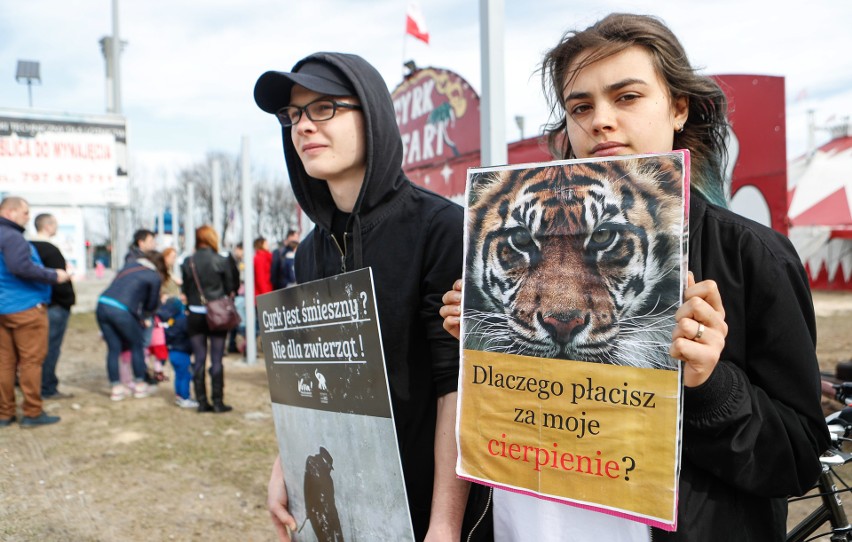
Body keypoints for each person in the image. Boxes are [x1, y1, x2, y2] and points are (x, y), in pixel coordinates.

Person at [438, 13, 829, 542]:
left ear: (678, 106)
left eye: (627, 97)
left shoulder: (752, 255)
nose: (600, 120)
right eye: (580, 106)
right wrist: (486, 340)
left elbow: (799, 458)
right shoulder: (505, 231)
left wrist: (711, 386)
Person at [254, 52, 474, 541]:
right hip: (343, 498)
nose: (303, 127)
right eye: (293, 116)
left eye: (324, 108)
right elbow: (312, 381)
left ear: (372, 114)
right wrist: (284, 469)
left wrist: (444, 525)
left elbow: (455, 386)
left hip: (420, 504)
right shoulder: (309, 251)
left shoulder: (442, 228)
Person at [0, 197, 70, 427]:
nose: (28, 218)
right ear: (10, 212)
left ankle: (5, 413)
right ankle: (32, 412)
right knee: (31, 362)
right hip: (26, 307)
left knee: (5, 363)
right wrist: (54, 276)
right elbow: (21, 266)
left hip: (3, 308)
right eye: (26, 212)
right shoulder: (13, 237)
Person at [180, 225, 238, 413]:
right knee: (217, 359)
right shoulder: (221, 260)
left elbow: (186, 290)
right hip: (217, 315)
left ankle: (202, 402)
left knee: (199, 359)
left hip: (195, 314)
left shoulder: (188, 262)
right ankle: (218, 402)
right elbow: (231, 286)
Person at [96, 250, 164, 401]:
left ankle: (116, 389)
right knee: (136, 345)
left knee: (113, 348)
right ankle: (140, 385)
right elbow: (151, 304)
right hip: (121, 310)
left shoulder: (129, 267)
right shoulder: (153, 276)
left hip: (102, 304)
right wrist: (145, 317)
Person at [31, 213, 77, 400]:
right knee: (51, 347)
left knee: (33, 348)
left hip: (35, 304)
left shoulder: (27, 247)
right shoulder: (50, 249)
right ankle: (47, 386)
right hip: (55, 305)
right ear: (48, 226)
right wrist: (67, 300)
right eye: (55, 224)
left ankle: (35, 383)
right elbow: (59, 280)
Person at [156, 296, 197, 408]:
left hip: (172, 352)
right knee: (185, 376)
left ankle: (179, 396)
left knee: (179, 375)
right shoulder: (183, 319)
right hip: (182, 352)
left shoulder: (170, 320)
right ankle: (185, 398)